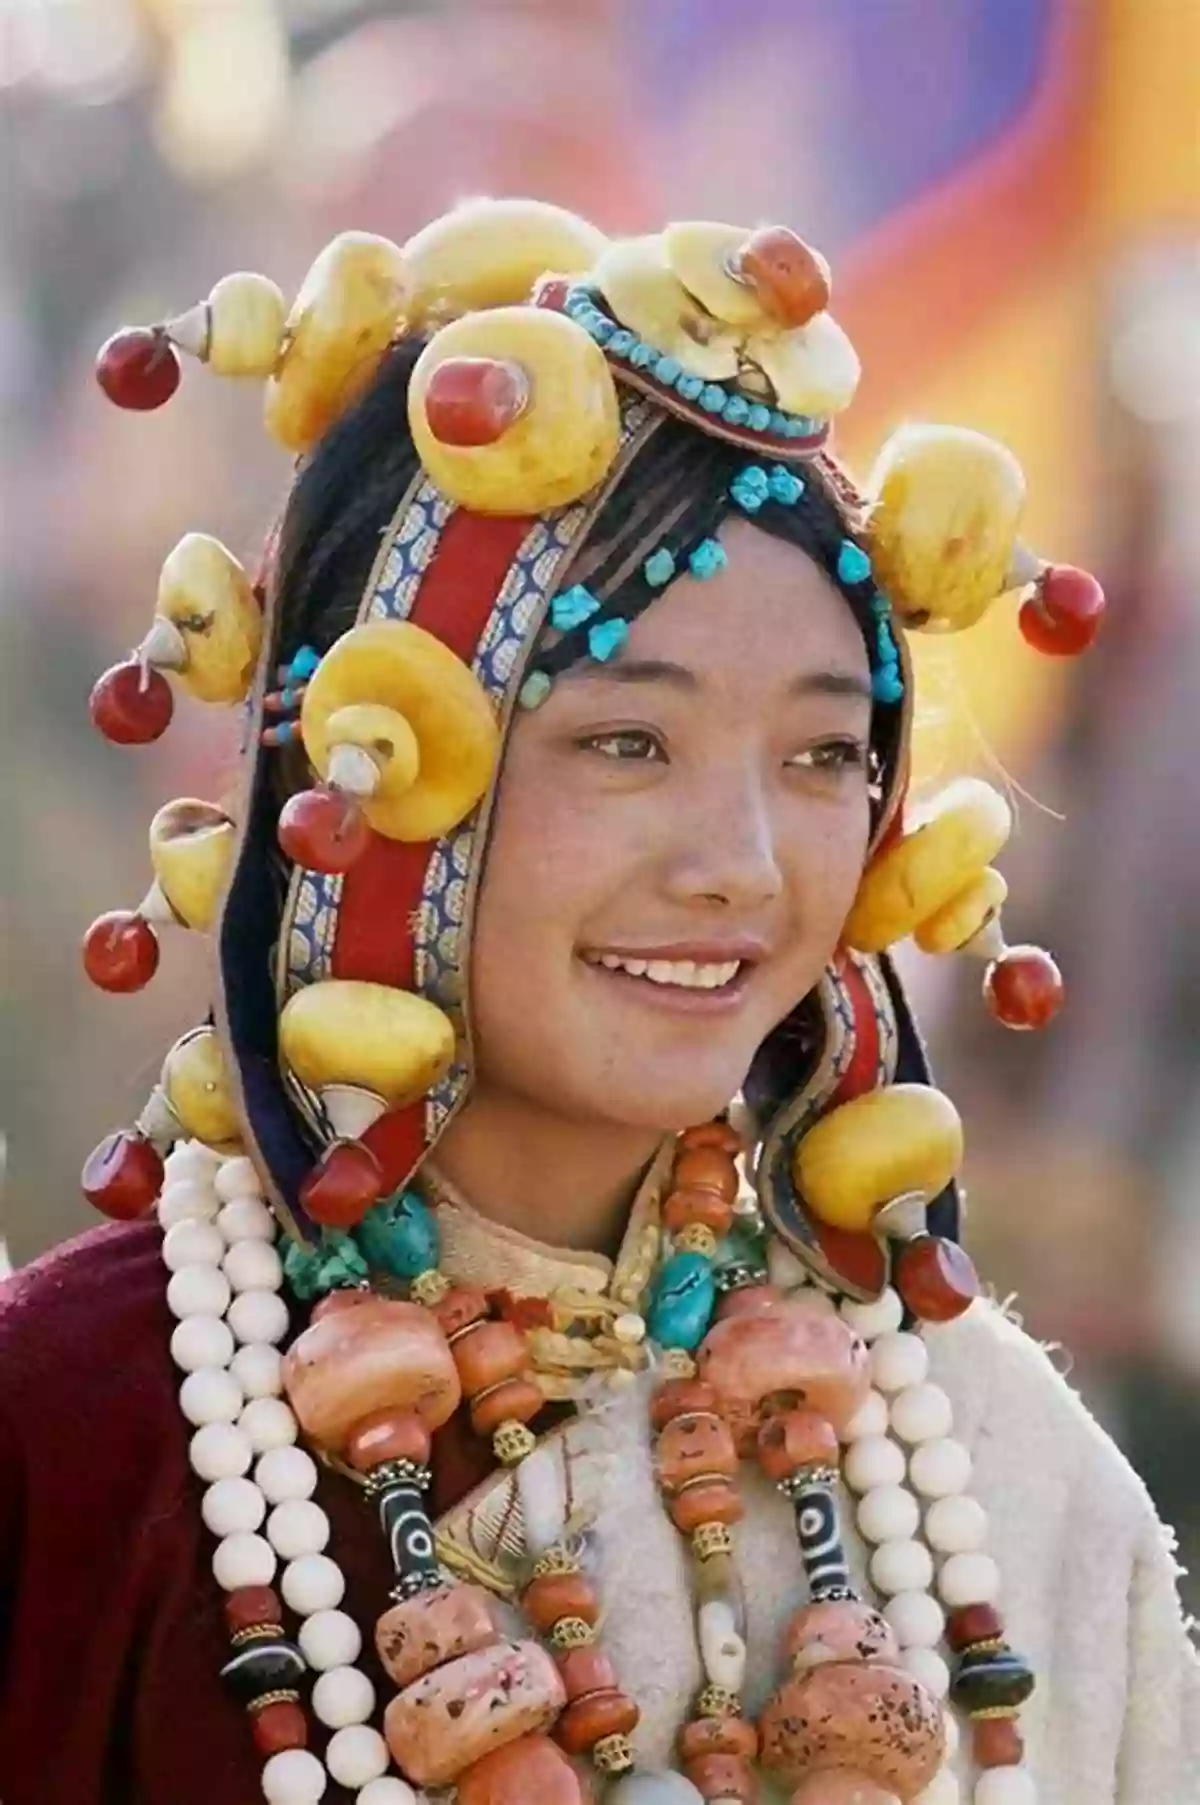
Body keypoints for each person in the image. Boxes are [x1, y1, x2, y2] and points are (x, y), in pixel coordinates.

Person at [0, 201, 1194, 1805]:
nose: (741, 865)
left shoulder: (1009, 1483)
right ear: (381, 787)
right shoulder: (80, 1441)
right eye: (629, 742)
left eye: (825, 755)